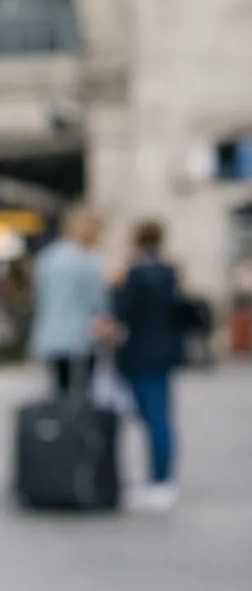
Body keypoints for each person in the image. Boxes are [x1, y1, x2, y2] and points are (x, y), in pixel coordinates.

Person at [113, 219, 186, 511]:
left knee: (153, 417)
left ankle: (160, 480)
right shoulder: (169, 273)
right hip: (165, 352)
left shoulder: (136, 274)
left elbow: (123, 311)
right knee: (161, 417)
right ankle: (162, 478)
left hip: (141, 353)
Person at [28, 206, 110, 395]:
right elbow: (97, 301)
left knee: (60, 390)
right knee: (83, 393)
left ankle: (62, 423)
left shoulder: (47, 257)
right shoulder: (87, 259)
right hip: (81, 335)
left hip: (50, 334)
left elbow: (39, 296)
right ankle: (80, 423)